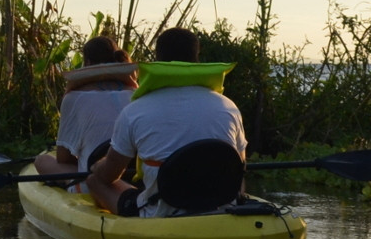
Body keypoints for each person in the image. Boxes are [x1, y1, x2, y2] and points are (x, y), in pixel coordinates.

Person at [85, 27, 246, 217]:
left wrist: (97, 167)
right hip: (222, 208)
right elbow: (240, 170)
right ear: (197, 57)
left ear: (157, 58)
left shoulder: (134, 110)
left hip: (160, 213)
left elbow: (109, 175)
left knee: (94, 180)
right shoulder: (228, 106)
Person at [34, 36, 135, 186]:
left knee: (42, 160)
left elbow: (63, 158)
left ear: (87, 63)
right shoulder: (136, 94)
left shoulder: (74, 98)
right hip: (133, 177)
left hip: (95, 181)